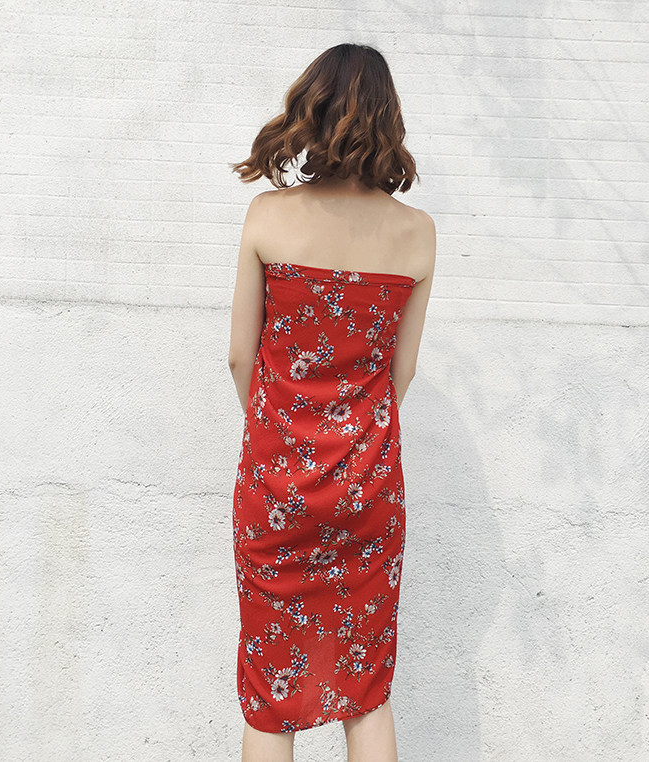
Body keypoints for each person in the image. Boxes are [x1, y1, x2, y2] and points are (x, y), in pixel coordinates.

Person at [227, 43, 435, 762]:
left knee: (270, 693)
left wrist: (283, 433)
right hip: (369, 485)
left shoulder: (267, 217)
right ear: (388, 120)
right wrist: (352, 437)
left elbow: (239, 357)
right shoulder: (417, 234)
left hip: (275, 481)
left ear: (311, 113)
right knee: (364, 691)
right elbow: (400, 374)